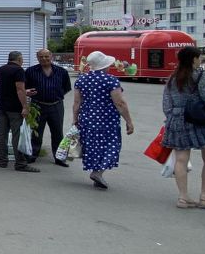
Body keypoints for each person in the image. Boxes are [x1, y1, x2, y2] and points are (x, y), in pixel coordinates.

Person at [161, 46, 205, 209]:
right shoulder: (203, 76)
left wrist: (171, 118)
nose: (201, 59)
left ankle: (183, 197)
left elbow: (166, 103)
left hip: (177, 120)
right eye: (199, 57)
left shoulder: (173, 78)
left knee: (181, 160)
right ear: (194, 59)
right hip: (200, 120)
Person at [72, 50, 135, 190]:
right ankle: (98, 173)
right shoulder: (110, 80)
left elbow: (77, 103)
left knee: (93, 147)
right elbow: (120, 103)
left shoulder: (81, 79)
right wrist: (129, 122)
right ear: (105, 65)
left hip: (87, 120)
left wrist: (75, 119)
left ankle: (97, 174)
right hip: (107, 121)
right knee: (111, 147)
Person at [25, 48, 72, 168]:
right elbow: (25, 87)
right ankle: (32, 155)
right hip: (37, 105)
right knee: (36, 132)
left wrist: (55, 96)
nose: (44, 59)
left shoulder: (61, 71)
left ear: (51, 56)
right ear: (37, 58)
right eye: (41, 57)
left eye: (46, 56)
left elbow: (66, 87)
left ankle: (59, 158)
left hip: (56, 105)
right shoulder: (30, 71)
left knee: (58, 133)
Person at [0, 50, 39, 172]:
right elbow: (19, 89)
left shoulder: (1, 69)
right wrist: (25, 106)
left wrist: (26, 92)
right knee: (17, 135)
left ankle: (2, 161)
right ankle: (20, 163)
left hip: (3, 106)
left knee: (2, 134)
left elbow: (9, 88)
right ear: (19, 59)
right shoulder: (19, 70)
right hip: (15, 108)